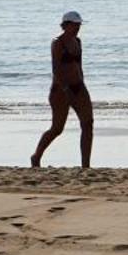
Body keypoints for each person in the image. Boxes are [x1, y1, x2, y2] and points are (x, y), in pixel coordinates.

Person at [31, 10, 93, 168]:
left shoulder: (77, 42)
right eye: (74, 25)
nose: (77, 28)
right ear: (66, 25)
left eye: (79, 25)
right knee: (57, 128)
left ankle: (85, 165)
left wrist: (82, 84)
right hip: (60, 90)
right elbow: (56, 69)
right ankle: (36, 156)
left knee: (88, 123)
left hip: (78, 87)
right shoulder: (57, 43)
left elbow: (79, 65)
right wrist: (66, 89)